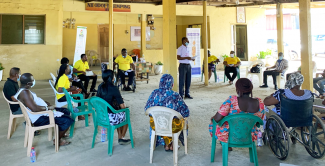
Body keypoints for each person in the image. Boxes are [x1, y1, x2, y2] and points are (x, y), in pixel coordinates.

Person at [15, 73, 74, 146]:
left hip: (41, 113)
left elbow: (32, 102)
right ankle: (57, 140)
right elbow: (34, 108)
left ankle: (61, 132)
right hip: (39, 118)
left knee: (65, 111)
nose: (34, 82)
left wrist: (44, 103)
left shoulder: (22, 90)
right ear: (29, 83)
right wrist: (47, 108)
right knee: (67, 120)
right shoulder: (25, 93)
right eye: (33, 80)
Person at [209, 78, 265, 151]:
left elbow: (217, 118)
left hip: (230, 135)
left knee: (213, 123)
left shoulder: (232, 100)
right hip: (249, 135)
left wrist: (212, 119)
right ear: (251, 88)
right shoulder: (259, 102)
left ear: (237, 89)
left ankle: (226, 143)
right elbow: (259, 121)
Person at [145, 74, 190, 151]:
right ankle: (171, 143)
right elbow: (186, 112)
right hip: (171, 127)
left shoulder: (154, 93)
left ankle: (167, 143)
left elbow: (146, 109)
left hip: (156, 125)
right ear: (172, 85)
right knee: (177, 121)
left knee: (161, 120)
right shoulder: (175, 95)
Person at [96, 70, 131, 145]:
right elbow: (123, 106)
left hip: (101, 117)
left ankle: (120, 137)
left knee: (117, 111)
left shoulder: (100, 86)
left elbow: (100, 100)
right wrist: (120, 101)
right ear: (111, 77)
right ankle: (121, 137)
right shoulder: (114, 88)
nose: (115, 77)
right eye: (114, 76)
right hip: (110, 119)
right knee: (126, 113)